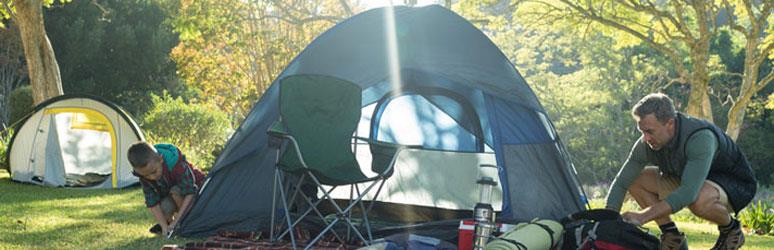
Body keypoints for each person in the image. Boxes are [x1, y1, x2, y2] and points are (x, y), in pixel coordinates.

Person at [605, 93, 756, 250]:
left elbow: (688, 193)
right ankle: (672, 237)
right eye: (642, 131)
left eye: (650, 131)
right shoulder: (646, 144)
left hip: (735, 185)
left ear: (670, 123)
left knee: (698, 199)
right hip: (690, 179)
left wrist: (642, 217)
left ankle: (731, 230)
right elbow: (622, 182)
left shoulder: (700, 138)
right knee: (636, 180)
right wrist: (607, 219)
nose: (645, 138)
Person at [128, 142, 205, 237]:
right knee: (164, 207)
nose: (152, 177)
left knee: (175, 191)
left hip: (196, 193)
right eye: (146, 175)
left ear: (161, 160)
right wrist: (164, 226)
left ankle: (185, 222)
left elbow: (190, 193)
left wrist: (177, 221)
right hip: (172, 196)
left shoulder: (177, 165)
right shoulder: (143, 175)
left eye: (154, 172)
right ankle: (171, 227)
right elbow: (152, 203)